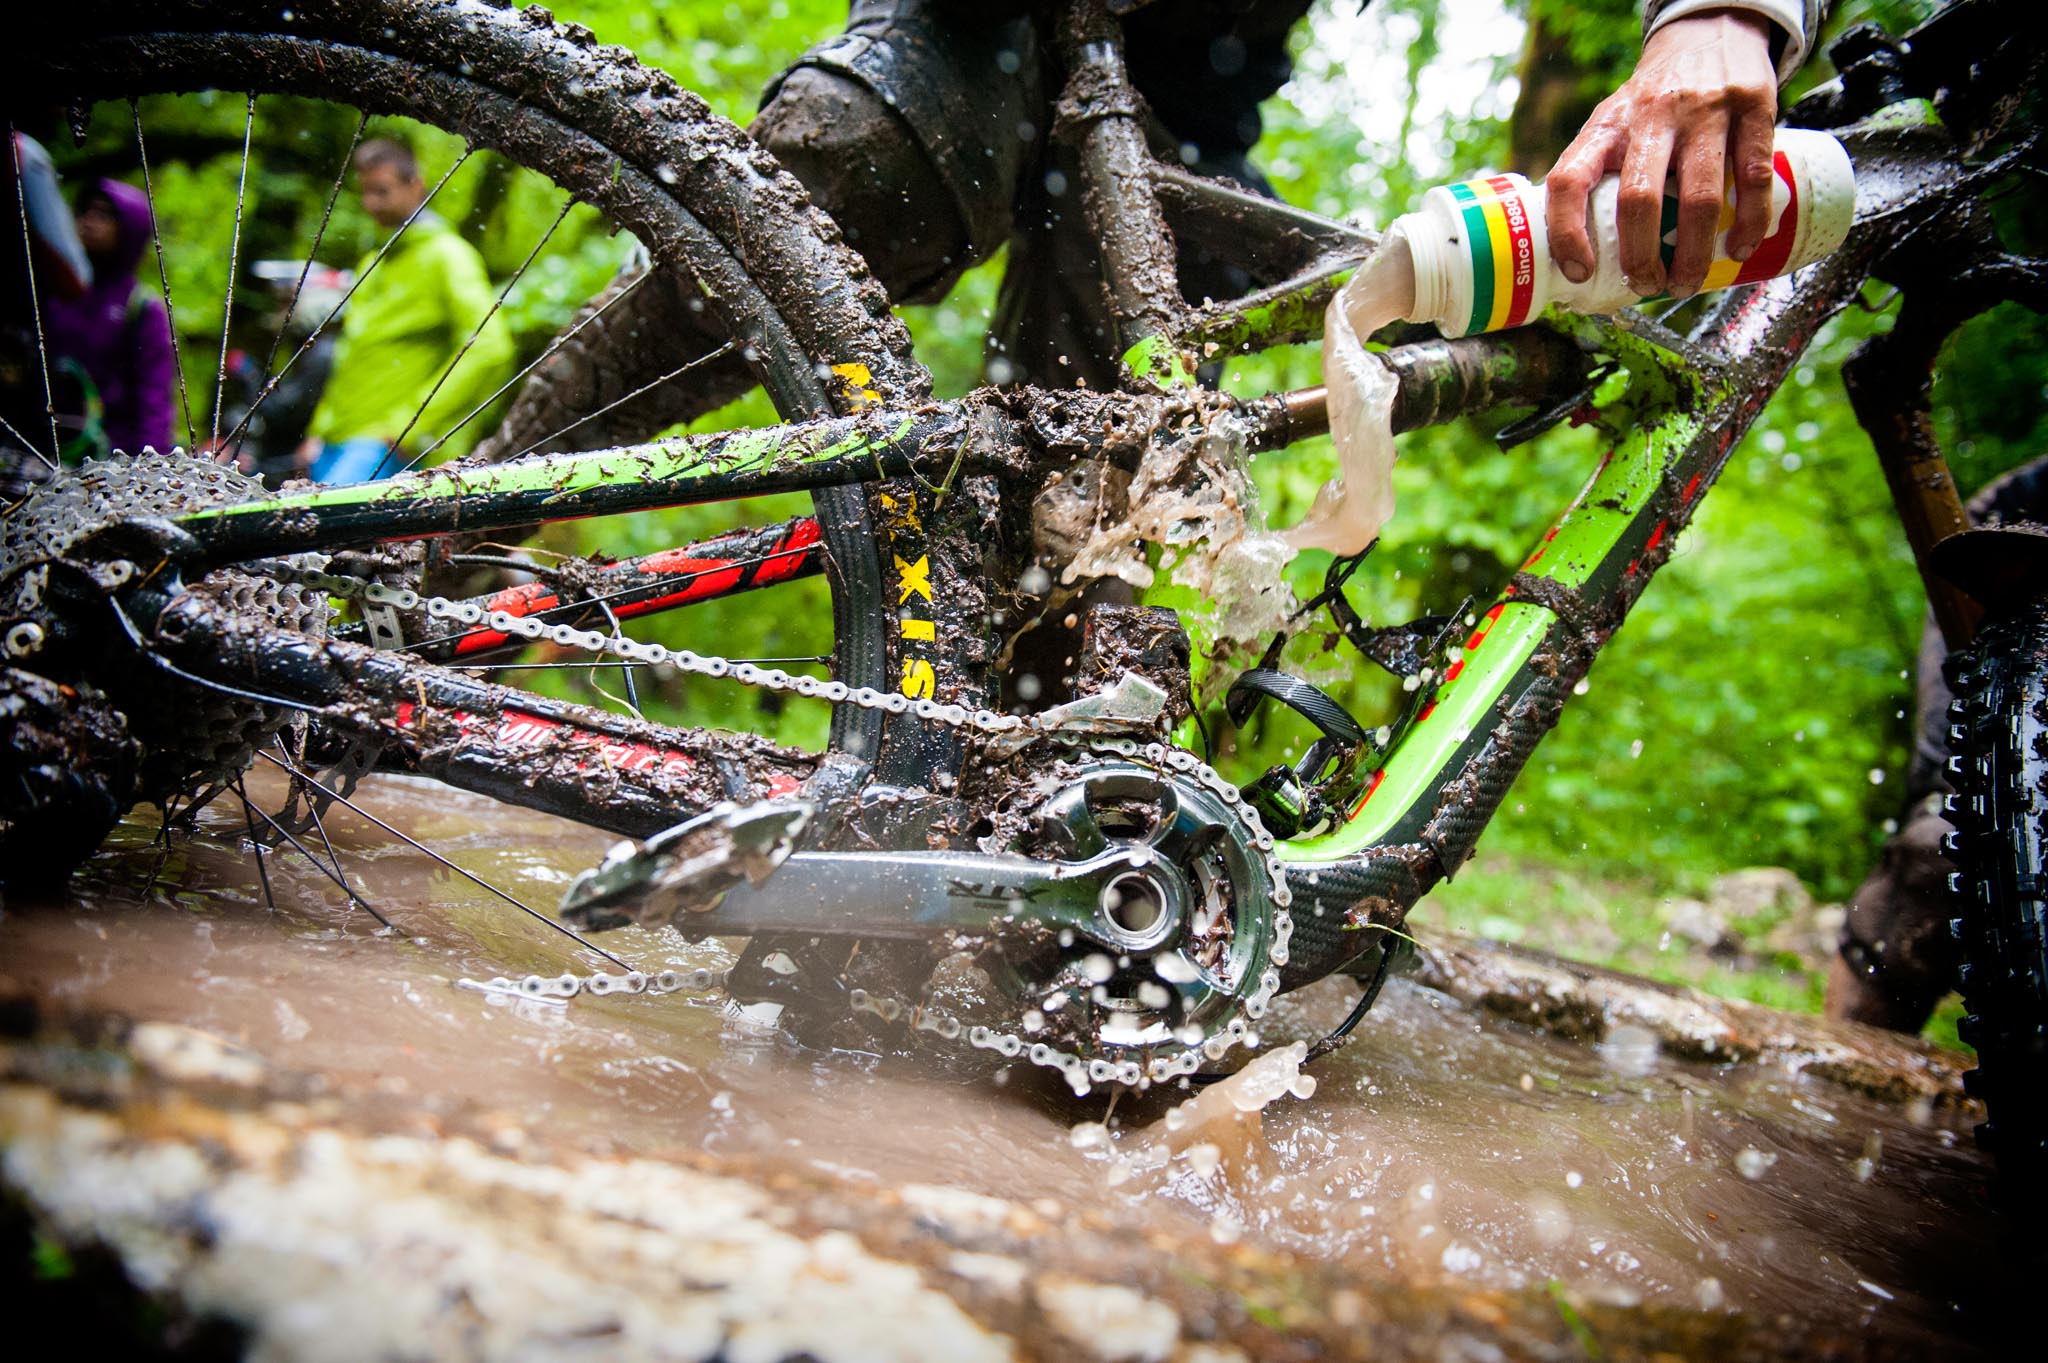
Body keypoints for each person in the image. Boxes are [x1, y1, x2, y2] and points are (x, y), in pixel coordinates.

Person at [748, 1, 1819, 388]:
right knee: (870, 158)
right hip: (968, 37)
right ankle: (572, 469)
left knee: (1102, 474)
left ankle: (999, 769)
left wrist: (1717, 11)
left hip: (1174, 119)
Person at [300, 138, 515, 483]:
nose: (371, 203)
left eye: (382, 191)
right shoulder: (375, 262)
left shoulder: (447, 255)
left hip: (381, 445)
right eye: (365, 192)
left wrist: (411, 425)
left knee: (321, 535)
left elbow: (489, 347)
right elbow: (353, 353)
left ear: (416, 185)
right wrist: (318, 430)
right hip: (334, 442)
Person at [41, 177, 175, 461]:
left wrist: (149, 468)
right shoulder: (50, 294)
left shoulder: (139, 308)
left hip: (112, 459)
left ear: (128, 229)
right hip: (43, 453)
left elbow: (153, 398)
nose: (89, 222)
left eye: (103, 215)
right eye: (85, 212)